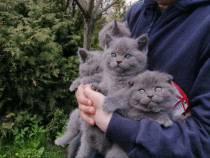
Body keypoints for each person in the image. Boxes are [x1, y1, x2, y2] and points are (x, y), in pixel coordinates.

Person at [76, 0, 210, 157]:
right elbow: (108, 64)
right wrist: (88, 92)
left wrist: (115, 124)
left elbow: (204, 141)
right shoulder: (137, 12)